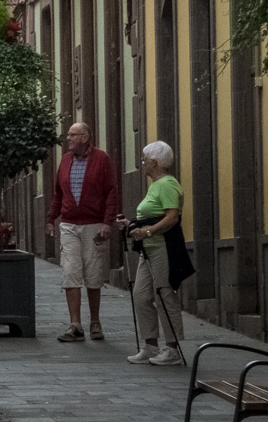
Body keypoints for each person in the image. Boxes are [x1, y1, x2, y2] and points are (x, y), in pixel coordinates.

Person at [118, 140, 191, 366]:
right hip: (148, 249)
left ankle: (172, 349)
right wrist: (132, 225)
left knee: (164, 295)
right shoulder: (156, 184)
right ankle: (150, 346)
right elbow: (154, 215)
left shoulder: (168, 184)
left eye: (144, 160)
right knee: (141, 295)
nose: (142, 164)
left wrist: (147, 232)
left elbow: (172, 218)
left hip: (162, 248)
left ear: (155, 162)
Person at [46, 122, 120, 342]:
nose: (67, 138)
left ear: (85, 138)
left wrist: (108, 222)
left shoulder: (101, 159)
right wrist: (51, 218)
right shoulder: (66, 160)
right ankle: (75, 325)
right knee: (70, 272)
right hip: (69, 224)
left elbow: (111, 193)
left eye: (72, 135)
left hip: (93, 224)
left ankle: (95, 322)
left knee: (93, 273)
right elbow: (58, 193)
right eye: (68, 135)